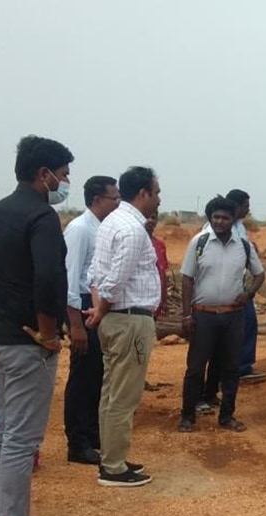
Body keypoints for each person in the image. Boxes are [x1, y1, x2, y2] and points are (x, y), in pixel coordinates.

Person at [0, 135, 74, 516]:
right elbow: (48, 279)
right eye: (63, 175)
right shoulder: (42, 217)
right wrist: (49, 334)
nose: (65, 182)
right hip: (27, 340)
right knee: (20, 438)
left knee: (1, 429)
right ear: (43, 175)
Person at [86, 166, 162, 488]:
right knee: (124, 396)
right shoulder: (131, 230)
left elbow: (94, 275)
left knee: (110, 393)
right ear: (143, 193)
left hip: (116, 319)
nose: (159, 198)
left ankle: (111, 457)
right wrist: (102, 308)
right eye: (156, 192)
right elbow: (115, 280)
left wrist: (99, 309)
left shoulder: (111, 223)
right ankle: (114, 467)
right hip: (129, 319)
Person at [179, 195, 266, 433]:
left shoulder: (244, 246)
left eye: (225, 217)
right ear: (210, 218)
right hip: (203, 315)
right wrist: (186, 315)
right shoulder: (199, 243)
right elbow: (186, 278)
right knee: (196, 368)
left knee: (230, 368)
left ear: (232, 219)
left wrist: (248, 294)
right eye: (215, 217)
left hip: (232, 316)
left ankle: (227, 416)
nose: (220, 221)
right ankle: (187, 416)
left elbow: (259, 274)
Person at [62, 175, 120, 466]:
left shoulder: (103, 229)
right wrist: (75, 326)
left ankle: (92, 434)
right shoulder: (80, 230)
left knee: (98, 373)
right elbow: (70, 280)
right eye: (114, 198)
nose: (118, 202)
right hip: (82, 308)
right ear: (98, 199)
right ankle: (77, 442)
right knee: (83, 376)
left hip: (98, 306)